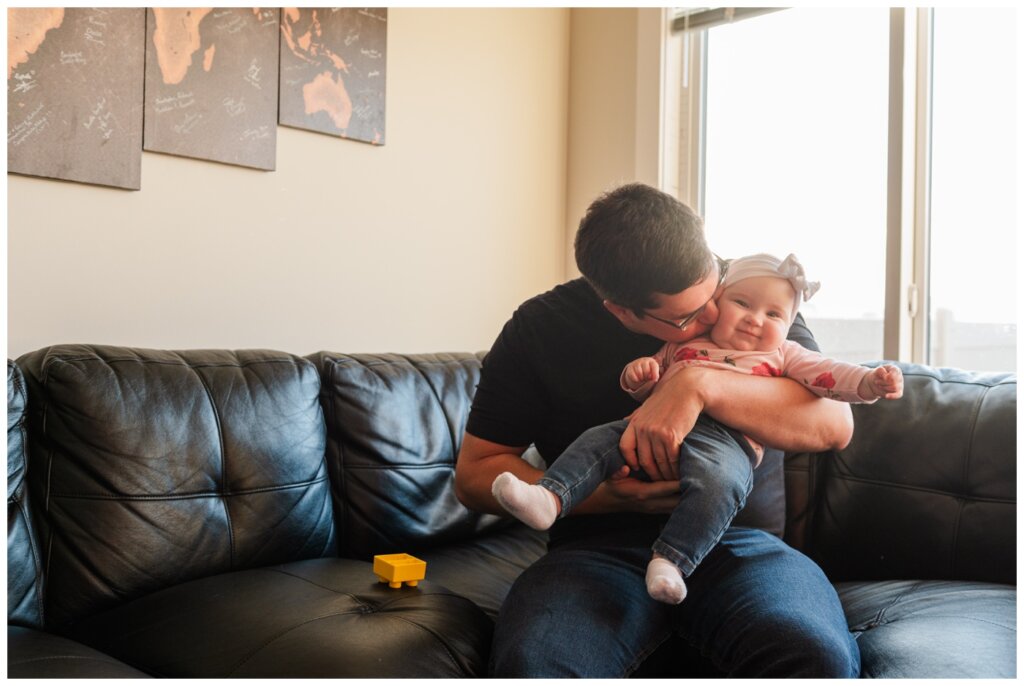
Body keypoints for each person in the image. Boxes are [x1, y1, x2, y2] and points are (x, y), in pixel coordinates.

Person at [454, 182, 861, 677]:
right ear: (621, 311)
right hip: (594, 552)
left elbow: (834, 424)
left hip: (739, 545)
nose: (716, 316)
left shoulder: (752, 292)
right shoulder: (540, 328)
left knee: (814, 658)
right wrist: (607, 498)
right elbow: (475, 474)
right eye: (688, 316)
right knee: (538, 666)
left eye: (714, 291)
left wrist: (697, 384)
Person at [489, 252, 904, 605]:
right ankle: (550, 496)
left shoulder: (783, 352)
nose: (755, 320)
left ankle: (671, 560)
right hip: (636, 445)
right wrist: (642, 379)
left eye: (774, 314)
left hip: (726, 443)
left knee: (720, 484)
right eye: (741, 304)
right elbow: (649, 382)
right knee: (596, 440)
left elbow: (829, 381)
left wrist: (868, 382)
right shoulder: (685, 342)